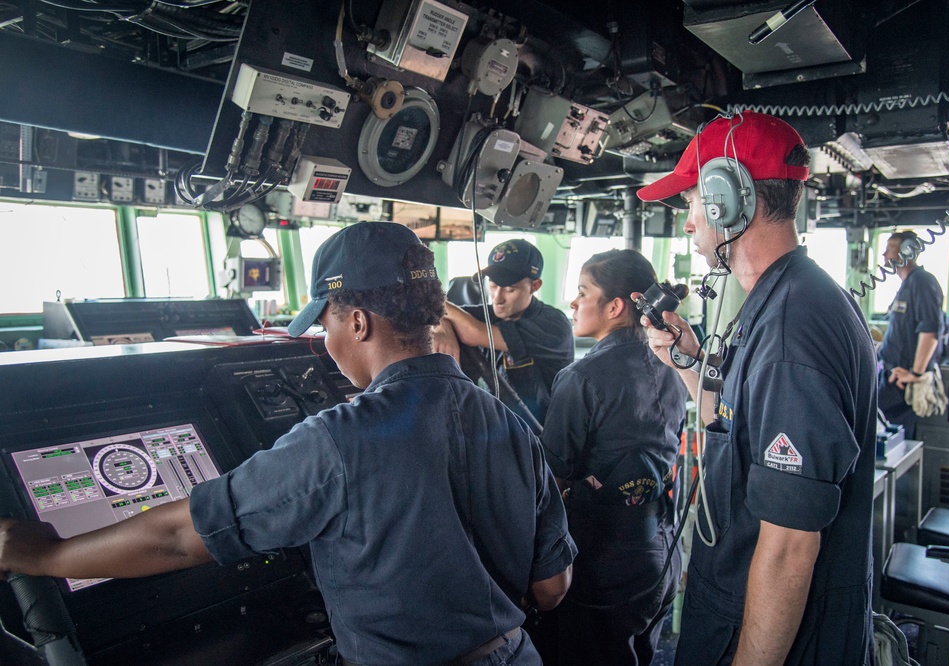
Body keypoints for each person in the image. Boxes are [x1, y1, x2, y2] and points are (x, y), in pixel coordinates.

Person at [0, 222, 577, 666]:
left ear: (357, 322)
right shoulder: (511, 424)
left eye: (324, 325)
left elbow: (179, 536)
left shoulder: (338, 441)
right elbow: (552, 588)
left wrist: (44, 556)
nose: (326, 342)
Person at [634, 111, 878, 665]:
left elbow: (790, 545)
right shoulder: (783, 301)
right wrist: (685, 360)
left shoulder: (793, 331)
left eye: (691, 200)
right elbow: (737, 426)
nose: (689, 221)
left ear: (725, 199)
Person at [538, 249, 687, 666]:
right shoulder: (673, 363)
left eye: (583, 292)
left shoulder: (580, 377)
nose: (573, 302)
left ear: (615, 306)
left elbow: (552, 479)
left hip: (602, 562)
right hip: (662, 550)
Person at [434, 239, 574, 424]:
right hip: (501, 425)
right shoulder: (487, 314)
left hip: (545, 432)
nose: (497, 298)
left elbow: (473, 332)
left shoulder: (554, 325)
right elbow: (432, 313)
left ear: (535, 286)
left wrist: (440, 310)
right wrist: (442, 324)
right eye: (493, 285)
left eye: (510, 289)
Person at [876, 230, 946, 438]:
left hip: (902, 382)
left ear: (907, 250)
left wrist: (915, 374)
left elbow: (930, 332)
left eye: (890, 248)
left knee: (893, 442)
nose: (884, 255)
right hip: (891, 376)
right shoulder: (907, 284)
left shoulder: (922, 281)